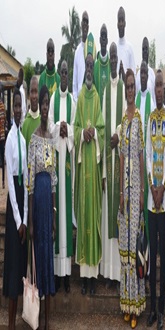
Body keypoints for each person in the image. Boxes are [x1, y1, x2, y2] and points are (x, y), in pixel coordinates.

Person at [74, 53, 105, 295]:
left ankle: (93, 277)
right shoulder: (80, 98)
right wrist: (80, 134)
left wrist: (93, 133)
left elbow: (103, 129)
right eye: (87, 65)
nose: (88, 70)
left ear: (94, 70)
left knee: (92, 217)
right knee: (83, 217)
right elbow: (74, 127)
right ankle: (83, 278)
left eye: (91, 66)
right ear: (83, 68)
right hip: (83, 166)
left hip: (92, 170)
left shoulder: (96, 99)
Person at [28, 85, 57, 330]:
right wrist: (31, 219)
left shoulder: (51, 140)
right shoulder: (34, 138)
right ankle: (36, 318)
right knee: (38, 254)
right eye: (43, 103)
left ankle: (48, 320)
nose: (45, 107)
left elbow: (55, 178)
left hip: (49, 204)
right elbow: (29, 181)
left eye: (47, 103)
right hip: (37, 203)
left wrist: (55, 216)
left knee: (48, 256)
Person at [118, 68, 145, 329]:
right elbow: (122, 157)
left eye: (131, 86)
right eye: (126, 87)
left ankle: (136, 306)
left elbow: (139, 156)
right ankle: (125, 303)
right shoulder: (123, 121)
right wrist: (121, 194)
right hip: (125, 193)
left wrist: (140, 193)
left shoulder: (138, 119)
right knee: (125, 251)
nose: (128, 90)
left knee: (135, 251)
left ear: (135, 89)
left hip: (136, 189)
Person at [48, 60, 76, 293]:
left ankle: (67, 275)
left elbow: (75, 126)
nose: (65, 75)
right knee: (59, 217)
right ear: (59, 74)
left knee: (66, 217)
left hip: (66, 164)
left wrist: (70, 130)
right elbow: (48, 126)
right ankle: (58, 275)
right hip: (57, 164)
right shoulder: (55, 98)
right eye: (63, 72)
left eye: (68, 73)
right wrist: (60, 127)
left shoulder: (73, 101)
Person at [146, 70, 165, 330]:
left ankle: (162, 309)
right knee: (153, 257)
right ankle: (152, 308)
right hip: (153, 199)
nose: (160, 90)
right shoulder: (152, 118)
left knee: (163, 256)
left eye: (163, 86)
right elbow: (149, 152)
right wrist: (153, 187)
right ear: (154, 90)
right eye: (158, 86)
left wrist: (163, 187)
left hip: (164, 201)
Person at [100, 42, 125, 289]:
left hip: (123, 167)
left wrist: (119, 134)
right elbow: (104, 130)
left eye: (117, 56)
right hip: (110, 166)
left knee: (120, 221)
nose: (115, 59)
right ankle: (108, 273)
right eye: (112, 56)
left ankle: (119, 275)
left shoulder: (124, 93)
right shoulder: (107, 90)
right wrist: (105, 173)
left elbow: (123, 126)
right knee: (109, 220)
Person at [3, 88, 28, 329]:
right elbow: (11, 182)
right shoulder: (11, 139)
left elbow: (26, 178)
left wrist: (27, 219)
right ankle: (9, 323)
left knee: (21, 264)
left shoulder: (22, 138)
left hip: (23, 202)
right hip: (13, 210)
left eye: (21, 106)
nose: (19, 110)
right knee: (11, 264)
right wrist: (19, 219)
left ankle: (19, 318)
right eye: (16, 106)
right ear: (13, 109)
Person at [135, 60, 154, 244]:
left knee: (145, 209)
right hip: (135, 162)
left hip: (146, 162)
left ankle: (145, 263)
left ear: (148, 77)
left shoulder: (151, 99)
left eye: (145, 73)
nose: (142, 75)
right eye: (140, 72)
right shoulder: (133, 100)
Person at [73, 11, 89, 103]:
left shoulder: (92, 50)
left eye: (87, 22)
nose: (85, 24)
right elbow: (74, 82)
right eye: (84, 21)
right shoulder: (77, 51)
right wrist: (76, 101)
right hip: (78, 102)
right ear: (81, 25)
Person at [117, 6, 136, 82]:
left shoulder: (130, 48)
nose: (121, 24)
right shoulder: (114, 48)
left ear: (125, 23)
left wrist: (124, 75)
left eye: (122, 21)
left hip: (127, 91)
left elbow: (133, 75)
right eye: (119, 21)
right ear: (117, 24)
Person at [22, 76, 40, 153]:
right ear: (29, 95)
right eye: (32, 92)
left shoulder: (44, 121)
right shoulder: (25, 124)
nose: (34, 96)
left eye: (36, 91)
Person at [94, 24, 110, 108]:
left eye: (105, 36)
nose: (103, 38)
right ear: (99, 40)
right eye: (102, 36)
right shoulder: (95, 67)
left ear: (107, 40)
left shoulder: (111, 66)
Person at [136, 37, 156, 105]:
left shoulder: (152, 74)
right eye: (143, 49)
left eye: (146, 49)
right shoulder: (138, 75)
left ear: (149, 51)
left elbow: (154, 98)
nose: (144, 51)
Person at [0, 83, 6, 188]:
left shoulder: (2, 105)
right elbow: (4, 121)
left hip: (2, 136)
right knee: (2, 157)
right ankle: (3, 181)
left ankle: (3, 181)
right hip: (2, 136)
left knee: (2, 157)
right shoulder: (2, 105)